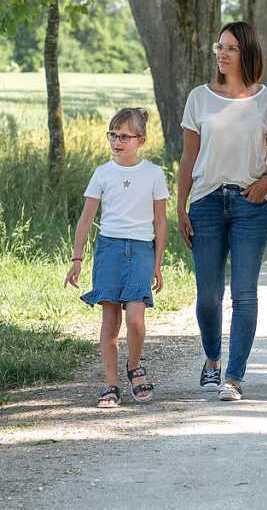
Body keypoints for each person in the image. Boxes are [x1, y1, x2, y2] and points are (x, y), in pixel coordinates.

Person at [177, 21, 267, 402]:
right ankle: (212, 359)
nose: (221, 53)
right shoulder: (199, 98)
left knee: (245, 294)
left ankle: (233, 377)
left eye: (231, 48)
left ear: (248, 52)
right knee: (207, 296)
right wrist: (181, 205)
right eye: (219, 46)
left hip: (250, 205)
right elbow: (189, 156)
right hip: (205, 203)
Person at [65, 107, 168, 408]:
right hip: (109, 249)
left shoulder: (153, 174)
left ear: (141, 140)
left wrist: (157, 264)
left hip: (140, 251)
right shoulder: (103, 173)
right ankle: (111, 384)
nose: (117, 141)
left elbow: (160, 222)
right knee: (110, 321)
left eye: (124, 136)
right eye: (113, 135)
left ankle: (134, 366)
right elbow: (86, 219)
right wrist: (77, 259)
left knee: (135, 319)